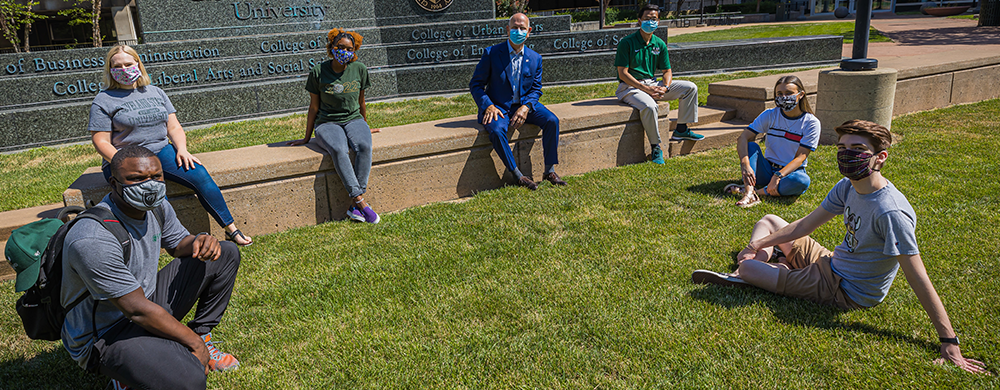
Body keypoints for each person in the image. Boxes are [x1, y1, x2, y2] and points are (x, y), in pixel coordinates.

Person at [691, 120, 989, 375]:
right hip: (830, 261)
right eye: (842, 148)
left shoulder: (890, 213)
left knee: (748, 266)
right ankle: (767, 264)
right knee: (769, 220)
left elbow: (918, 276)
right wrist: (758, 243)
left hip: (845, 288)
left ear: (880, 157)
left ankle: (757, 270)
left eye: (858, 150)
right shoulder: (847, 186)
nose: (847, 155)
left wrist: (949, 342)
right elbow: (806, 225)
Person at [62, 145, 242, 389]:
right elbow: (136, 310)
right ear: (114, 184)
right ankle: (122, 380)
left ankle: (201, 334)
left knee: (225, 253)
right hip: (106, 335)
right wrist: (194, 347)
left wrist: (200, 240)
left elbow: (178, 244)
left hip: (145, 304)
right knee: (189, 380)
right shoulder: (92, 237)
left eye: (156, 176)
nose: (150, 185)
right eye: (136, 178)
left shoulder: (156, 206)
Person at [89, 45, 252, 246]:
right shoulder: (103, 100)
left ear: (138, 65)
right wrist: (121, 163)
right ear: (110, 70)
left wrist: (182, 149)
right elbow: (101, 141)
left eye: (128, 64)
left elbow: (173, 127)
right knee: (153, 193)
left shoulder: (156, 92)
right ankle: (180, 242)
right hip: (125, 159)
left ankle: (231, 230)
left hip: (161, 151)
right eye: (117, 66)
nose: (123, 69)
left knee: (200, 175)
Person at [288, 28, 380, 223]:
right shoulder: (318, 72)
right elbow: (313, 107)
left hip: (354, 119)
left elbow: (362, 102)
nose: (345, 52)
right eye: (341, 47)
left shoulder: (360, 69)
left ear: (354, 50)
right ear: (332, 47)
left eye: (350, 48)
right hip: (327, 122)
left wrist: (364, 126)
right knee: (339, 150)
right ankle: (360, 202)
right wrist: (306, 137)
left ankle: (355, 206)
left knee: (364, 146)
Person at [469, 13, 567, 190]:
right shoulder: (492, 53)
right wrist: (488, 105)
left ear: (528, 32)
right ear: (507, 30)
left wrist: (526, 107)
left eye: (522, 28)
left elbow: (536, 89)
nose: (518, 31)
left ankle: (549, 171)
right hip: (498, 106)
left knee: (552, 120)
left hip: (524, 105)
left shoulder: (535, 58)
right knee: (497, 131)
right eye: (514, 27)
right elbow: (475, 84)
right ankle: (518, 175)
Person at [614, 4, 702, 165]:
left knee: (690, 88)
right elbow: (623, 74)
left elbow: (667, 71)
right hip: (630, 88)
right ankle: (656, 147)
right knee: (650, 106)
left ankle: (681, 129)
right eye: (646, 19)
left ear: (659, 22)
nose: (650, 22)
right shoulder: (627, 43)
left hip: (652, 84)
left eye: (653, 19)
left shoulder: (659, 44)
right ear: (639, 21)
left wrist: (665, 87)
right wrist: (646, 89)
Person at [726, 75, 820, 207]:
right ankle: (749, 192)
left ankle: (755, 192)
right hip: (766, 169)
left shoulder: (811, 123)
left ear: (801, 94)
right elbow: (743, 138)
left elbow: (801, 157)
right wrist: (745, 165)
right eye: (779, 94)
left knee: (802, 181)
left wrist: (778, 176)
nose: (784, 97)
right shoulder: (770, 114)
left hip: (790, 173)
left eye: (789, 93)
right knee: (751, 146)